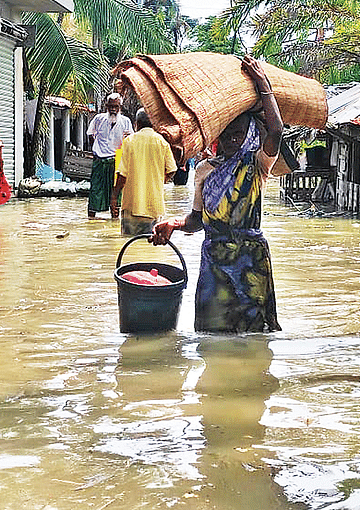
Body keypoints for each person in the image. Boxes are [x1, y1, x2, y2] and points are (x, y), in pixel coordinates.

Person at [150, 56, 283, 333]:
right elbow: (197, 220)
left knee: (253, 335)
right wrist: (174, 224)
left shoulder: (258, 164)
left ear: (249, 134)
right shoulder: (203, 170)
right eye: (227, 134)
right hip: (214, 262)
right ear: (217, 137)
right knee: (211, 335)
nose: (233, 140)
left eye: (239, 134)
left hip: (251, 261)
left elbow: (277, 131)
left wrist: (263, 84)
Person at [110, 108, 177, 236]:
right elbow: (172, 169)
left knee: (129, 246)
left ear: (137, 124)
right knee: (151, 246)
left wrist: (114, 197)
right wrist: (159, 181)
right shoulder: (162, 142)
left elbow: (122, 175)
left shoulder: (129, 141)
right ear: (153, 124)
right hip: (154, 208)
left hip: (132, 206)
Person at [87, 93, 134, 218]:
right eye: (111, 106)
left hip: (116, 161)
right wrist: (96, 149)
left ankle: (114, 223)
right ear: (106, 106)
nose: (113, 109)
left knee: (116, 195)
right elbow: (90, 133)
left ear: (120, 107)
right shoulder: (98, 119)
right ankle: (91, 220)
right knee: (95, 193)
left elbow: (130, 139)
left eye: (116, 106)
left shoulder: (125, 121)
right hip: (100, 161)